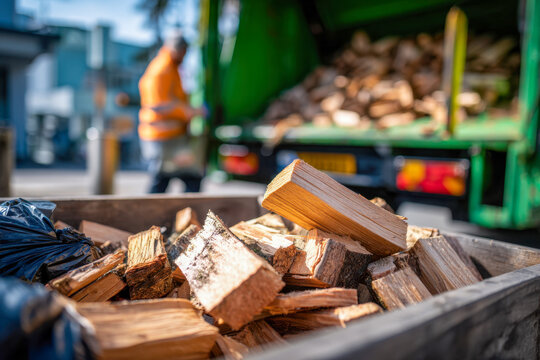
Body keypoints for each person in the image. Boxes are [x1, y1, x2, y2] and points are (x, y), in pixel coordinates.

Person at [138, 32, 206, 193]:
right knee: (179, 177)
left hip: (168, 137)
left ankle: (160, 212)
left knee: (167, 178)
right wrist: (189, 111)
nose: (185, 56)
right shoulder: (162, 70)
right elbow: (160, 105)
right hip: (163, 137)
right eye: (183, 52)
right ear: (176, 49)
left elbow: (175, 97)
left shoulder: (170, 68)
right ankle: (156, 212)